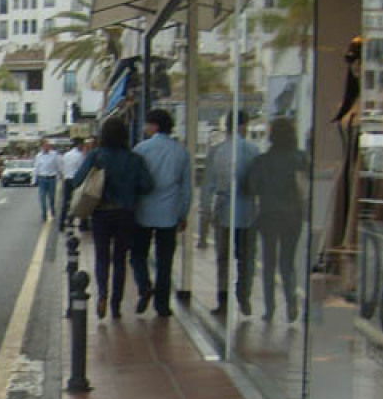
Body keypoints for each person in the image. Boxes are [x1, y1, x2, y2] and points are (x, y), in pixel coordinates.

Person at [70, 117, 153, 319]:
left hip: (102, 213)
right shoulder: (135, 159)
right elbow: (148, 185)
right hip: (126, 213)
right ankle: (116, 303)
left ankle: (102, 296)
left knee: (102, 256)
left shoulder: (97, 155)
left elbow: (77, 179)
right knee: (120, 259)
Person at [245, 117, 309, 322]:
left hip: (269, 214)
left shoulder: (262, 161)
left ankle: (270, 308)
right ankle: (291, 302)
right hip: (293, 215)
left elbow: (252, 187)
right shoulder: (301, 158)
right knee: (288, 262)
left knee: (269, 262)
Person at [131, 109, 192, 318]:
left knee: (138, 254)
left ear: (155, 126)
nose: (144, 127)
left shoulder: (141, 149)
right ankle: (162, 305)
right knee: (165, 261)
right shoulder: (181, 152)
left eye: (147, 123)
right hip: (169, 213)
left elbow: (135, 182)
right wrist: (183, 213)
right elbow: (186, 188)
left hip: (143, 211)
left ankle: (144, 285)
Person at [202, 110, 259, 317]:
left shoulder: (216, 151)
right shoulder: (253, 150)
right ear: (244, 126)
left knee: (223, 258)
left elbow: (208, 186)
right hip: (248, 212)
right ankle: (243, 296)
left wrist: (205, 215)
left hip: (223, 211)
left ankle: (223, 300)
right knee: (246, 258)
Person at [58, 138, 85, 232]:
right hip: (76, 180)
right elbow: (82, 168)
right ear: (78, 145)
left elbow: (61, 167)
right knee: (79, 202)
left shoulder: (66, 155)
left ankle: (61, 223)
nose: (83, 147)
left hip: (67, 179)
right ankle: (81, 224)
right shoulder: (80, 155)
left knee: (66, 202)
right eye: (82, 145)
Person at [34, 139, 60, 220]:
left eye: (48, 146)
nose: (47, 147)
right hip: (42, 178)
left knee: (52, 197)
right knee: (42, 198)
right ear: (42, 147)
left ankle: (52, 210)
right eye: (45, 146)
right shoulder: (38, 156)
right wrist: (34, 180)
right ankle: (44, 215)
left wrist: (59, 175)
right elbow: (36, 168)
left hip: (52, 178)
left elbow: (57, 165)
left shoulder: (54, 154)